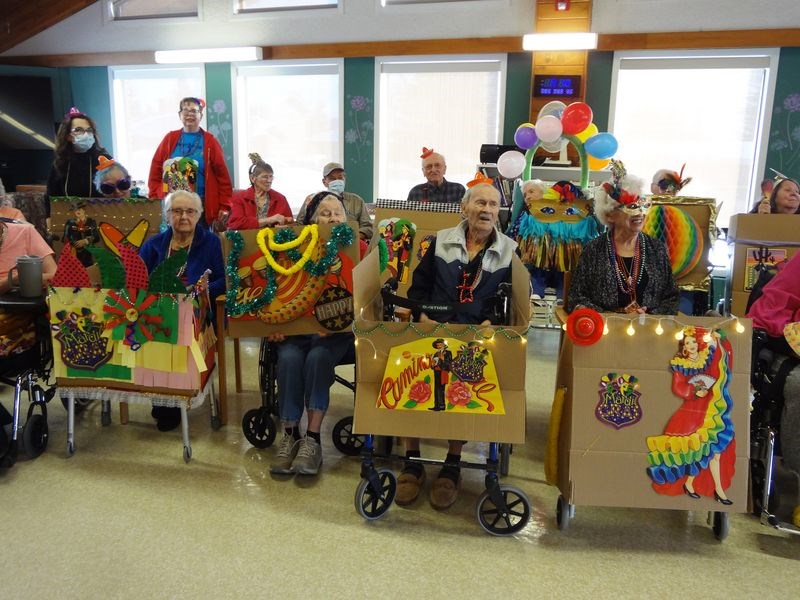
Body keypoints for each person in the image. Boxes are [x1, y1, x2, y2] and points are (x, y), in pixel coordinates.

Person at [398, 181, 516, 510]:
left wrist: (492, 321)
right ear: (464, 208)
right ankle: (412, 460)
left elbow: (509, 299)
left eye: (493, 205)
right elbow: (418, 286)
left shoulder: (509, 251)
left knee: (463, 389)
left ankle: (452, 463)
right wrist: (420, 313)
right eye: (480, 203)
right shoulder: (440, 242)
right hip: (431, 328)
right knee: (415, 381)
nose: (487, 210)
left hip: (474, 337)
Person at [268, 192, 366, 477]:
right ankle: (289, 435)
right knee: (287, 358)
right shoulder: (294, 248)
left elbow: (367, 298)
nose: (333, 218)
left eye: (338, 213)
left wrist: (338, 320)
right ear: (311, 220)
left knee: (318, 358)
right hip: (297, 331)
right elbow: (277, 292)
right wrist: (273, 327)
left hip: (337, 336)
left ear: (347, 219)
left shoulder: (356, 247)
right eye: (325, 213)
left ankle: (312, 439)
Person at [138, 190, 225, 431]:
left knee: (178, 333)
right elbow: (136, 280)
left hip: (199, 311)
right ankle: (163, 395)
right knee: (153, 330)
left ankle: (174, 397)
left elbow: (224, 279)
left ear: (199, 215)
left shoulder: (211, 243)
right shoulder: (154, 245)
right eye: (176, 211)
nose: (183, 216)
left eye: (190, 211)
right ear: (167, 215)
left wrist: (198, 292)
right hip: (159, 311)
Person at [567, 161, 679, 315]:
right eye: (631, 207)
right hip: (606, 331)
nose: (640, 213)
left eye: (642, 205)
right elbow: (577, 298)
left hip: (648, 330)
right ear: (610, 214)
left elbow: (672, 298)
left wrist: (650, 314)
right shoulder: (593, 250)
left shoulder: (657, 249)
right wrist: (611, 316)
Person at [646, 327, 736, 504]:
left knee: (713, 451)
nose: (692, 345)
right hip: (691, 412)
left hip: (710, 408)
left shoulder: (707, 357)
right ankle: (694, 484)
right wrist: (694, 390)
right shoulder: (681, 365)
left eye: (694, 341)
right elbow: (678, 387)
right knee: (699, 452)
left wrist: (720, 341)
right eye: (688, 343)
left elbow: (724, 364)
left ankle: (715, 488)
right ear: (684, 348)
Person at [147, 97, 233, 229]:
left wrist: (225, 205)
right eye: (185, 111)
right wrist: (156, 196)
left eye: (194, 111)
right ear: (180, 115)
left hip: (200, 204)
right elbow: (155, 171)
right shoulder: (169, 139)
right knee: (174, 242)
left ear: (201, 115)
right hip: (173, 203)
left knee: (200, 243)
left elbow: (223, 178)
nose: (189, 114)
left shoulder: (210, 141)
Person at [45, 107, 112, 218]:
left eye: (89, 130)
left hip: (103, 218)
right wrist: (49, 220)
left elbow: (117, 192)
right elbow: (50, 197)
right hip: (71, 219)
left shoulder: (104, 159)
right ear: (68, 136)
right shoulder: (61, 163)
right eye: (79, 130)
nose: (86, 134)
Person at [297, 162, 373, 240]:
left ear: (344, 179)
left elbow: (368, 227)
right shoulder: (312, 199)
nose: (337, 181)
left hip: (350, 245)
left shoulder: (356, 201)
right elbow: (299, 225)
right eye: (332, 178)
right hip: (319, 243)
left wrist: (353, 238)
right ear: (324, 182)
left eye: (340, 177)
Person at [228, 153, 293, 230]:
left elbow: (290, 224)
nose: (269, 181)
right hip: (246, 240)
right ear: (253, 178)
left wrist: (286, 223)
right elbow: (236, 224)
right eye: (265, 177)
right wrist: (270, 219)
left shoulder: (280, 198)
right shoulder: (239, 198)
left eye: (271, 176)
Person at [62, 201, 99, 268]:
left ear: (84, 210)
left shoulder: (91, 222)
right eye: (75, 210)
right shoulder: (70, 223)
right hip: (74, 254)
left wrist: (85, 241)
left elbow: (96, 237)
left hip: (87, 254)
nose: (77, 211)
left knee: (88, 271)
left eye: (79, 209)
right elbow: (65, 238)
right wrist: (74, 243)